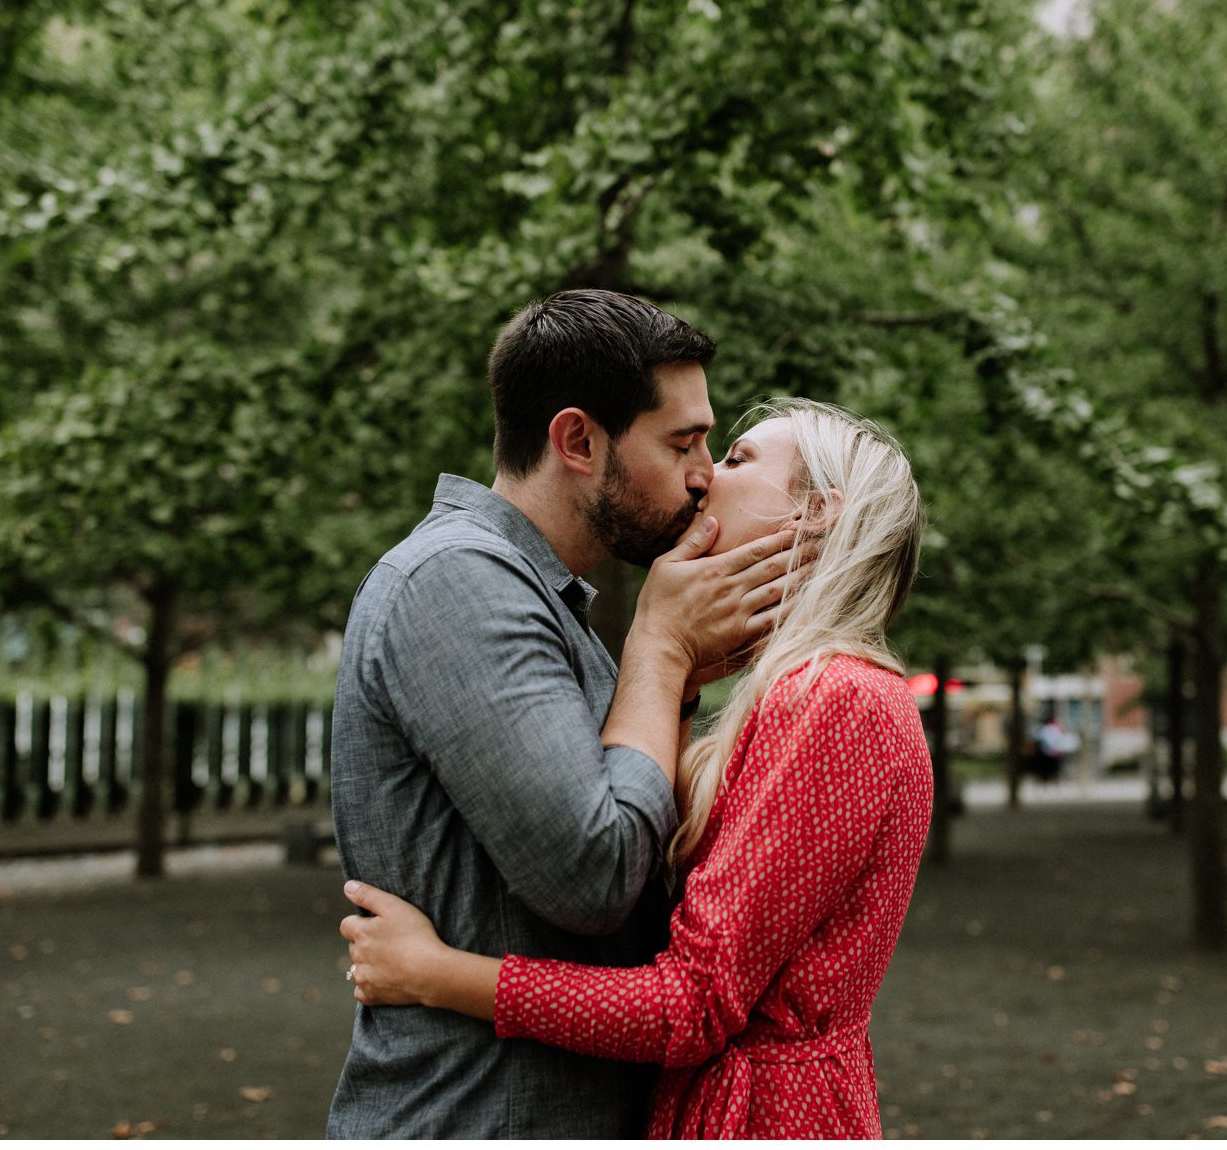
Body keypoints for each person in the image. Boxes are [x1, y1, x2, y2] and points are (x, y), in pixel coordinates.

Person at [341, 399, 933, 1139]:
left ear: (816, 514)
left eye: (737, 459)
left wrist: (438, 975)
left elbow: (690, 1006)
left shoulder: (835, 701)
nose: (703, 477)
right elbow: (646, 830)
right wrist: (676, 674)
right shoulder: (812, 695)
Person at [325, 291, 808, 1139]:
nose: (703, 475)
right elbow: (591, 875)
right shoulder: (455, 584)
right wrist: (658, 647)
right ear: (578, 440)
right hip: (478, 1116)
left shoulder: (542, 599)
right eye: (682, 442)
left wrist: (682, 680)